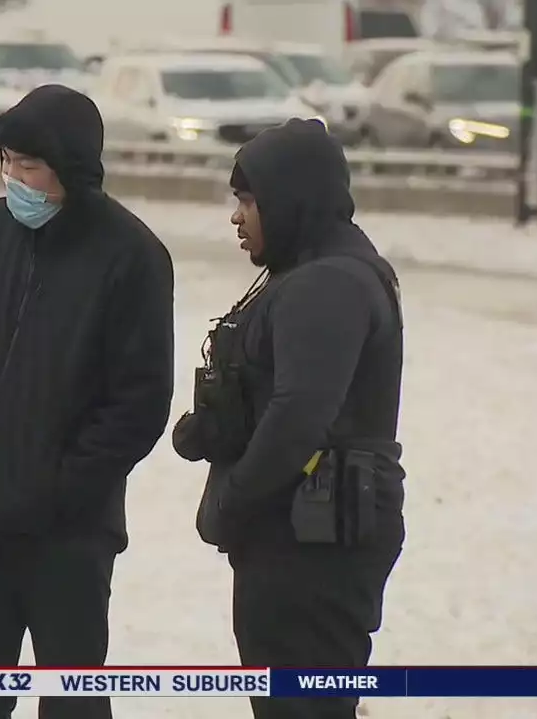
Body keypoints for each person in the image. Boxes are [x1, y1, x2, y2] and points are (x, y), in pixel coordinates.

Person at [0, 85, 176, 719]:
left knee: (72, 706)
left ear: (72, 168)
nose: (13, 179)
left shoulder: (132, 257)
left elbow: (138, 403)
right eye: (6, 162)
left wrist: (60, 489)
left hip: (69, 539)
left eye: (28, 166)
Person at [172, 118, 406, 719]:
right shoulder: (310, 273)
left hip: (311, 546)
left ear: (290, 200)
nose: (237, 216)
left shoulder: (326, 283)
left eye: (248, 200)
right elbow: (284, 394)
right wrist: (216, 427)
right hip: (297, 534)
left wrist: (233, 503)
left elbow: (300, 417)